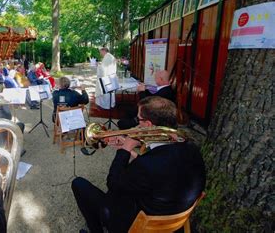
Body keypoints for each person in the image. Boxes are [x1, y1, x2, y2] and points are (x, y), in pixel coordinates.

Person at [71, 97, 206, 233]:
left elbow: (113, 184)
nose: (136, 124)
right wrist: (131, 153)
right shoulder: (192, 148)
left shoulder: (147, 165)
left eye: (138, 119)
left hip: (138, 224)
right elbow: (159, 169)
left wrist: (124, 150)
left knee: (79, 184)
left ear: (147, 124)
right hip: (174, 217)